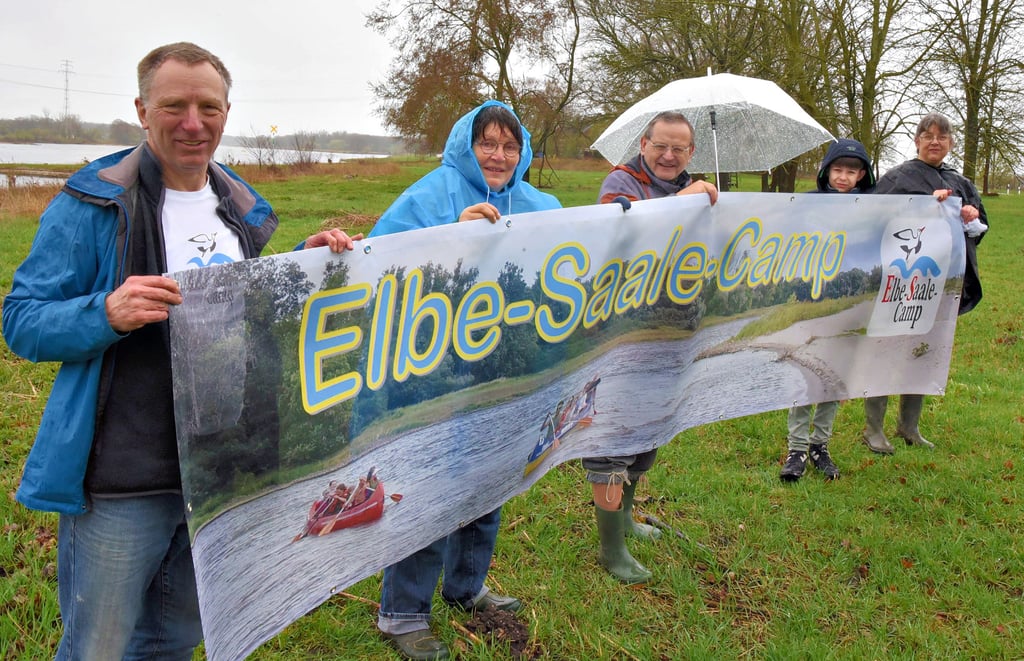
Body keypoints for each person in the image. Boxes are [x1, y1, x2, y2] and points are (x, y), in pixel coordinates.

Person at [2, 42, 360, 660]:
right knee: (98, 647)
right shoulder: (91, 204)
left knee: (175, 639)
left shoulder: (241, 208)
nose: (193, 123)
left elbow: (245, 312)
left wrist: (301, 267)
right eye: (174, 106)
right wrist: (104, 312)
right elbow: (21, 321)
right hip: (121, 477)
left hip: (219, 470)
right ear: (143, 110)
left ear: (226, 112)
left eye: (208, 107)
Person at [369, 100, 560, 661]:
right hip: (434, 373)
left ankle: (466, 588)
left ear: (522, 151)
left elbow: (578, 256)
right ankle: (402, 613)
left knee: (490, 476)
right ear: (465, 146)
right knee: (430, 486)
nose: (499, 155)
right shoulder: (431, 196)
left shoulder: (538, 204)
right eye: (487, 143)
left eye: (510, 145)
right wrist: (451, 236)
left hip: (504, 367)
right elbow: (378, 262)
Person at [587, 111, 718, 584]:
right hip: (621, 337)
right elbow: (621, 234)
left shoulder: (698, 189)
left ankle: (626, 520)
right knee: (611, 444)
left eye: (678, 149)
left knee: (646, 437)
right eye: (660, 146)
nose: (668, 156)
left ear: (691, 152)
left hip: (670, 333)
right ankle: (611, 548)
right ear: (643, 143)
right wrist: (683, 202)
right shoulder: (619, 182)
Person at [863, 112, 988, 455]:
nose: (935, 141)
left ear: (950, 143)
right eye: (928, 135)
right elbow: (872, 218)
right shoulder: (897, 178)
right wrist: (923, 209)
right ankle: (873, 429)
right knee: (887, 352)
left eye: (942, 137)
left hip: (936, 286)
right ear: (917, 140)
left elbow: (979, 229)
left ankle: (909, 426)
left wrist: (968, 217)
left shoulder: (960, 183)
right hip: (899, 283)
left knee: (921, 351)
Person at [780, 138, 876, 482]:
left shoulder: (874, 205)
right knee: (806, 370)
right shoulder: (805, 205)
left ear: (862, 174)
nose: (843, 177)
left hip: (851, 302)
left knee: (833, 376)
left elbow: (908, 215)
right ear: (826, 171)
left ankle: (820, 445)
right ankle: (796, 448)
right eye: (837, 169)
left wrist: (940, 203)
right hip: (810, 300)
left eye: (851, 171)